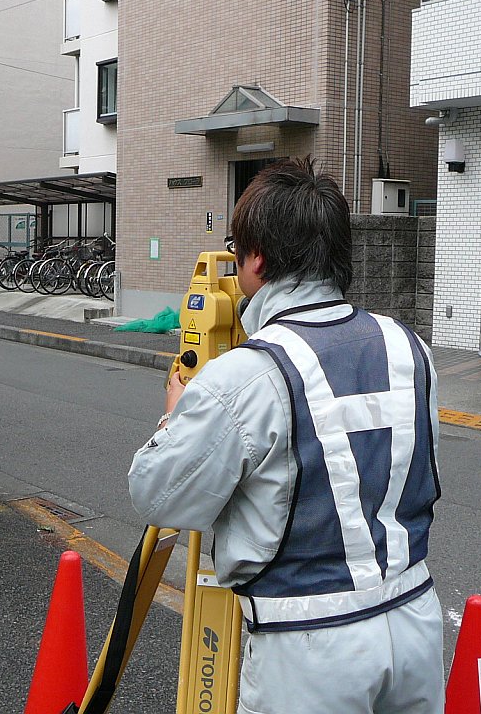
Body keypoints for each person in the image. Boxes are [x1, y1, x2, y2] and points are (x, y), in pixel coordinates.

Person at [128, 157, 443, 713]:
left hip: (309, 645)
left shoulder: (248, 374)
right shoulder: (408, 347)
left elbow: (159, 494)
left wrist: (177, 415)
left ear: (257, 260)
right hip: (415, 620)